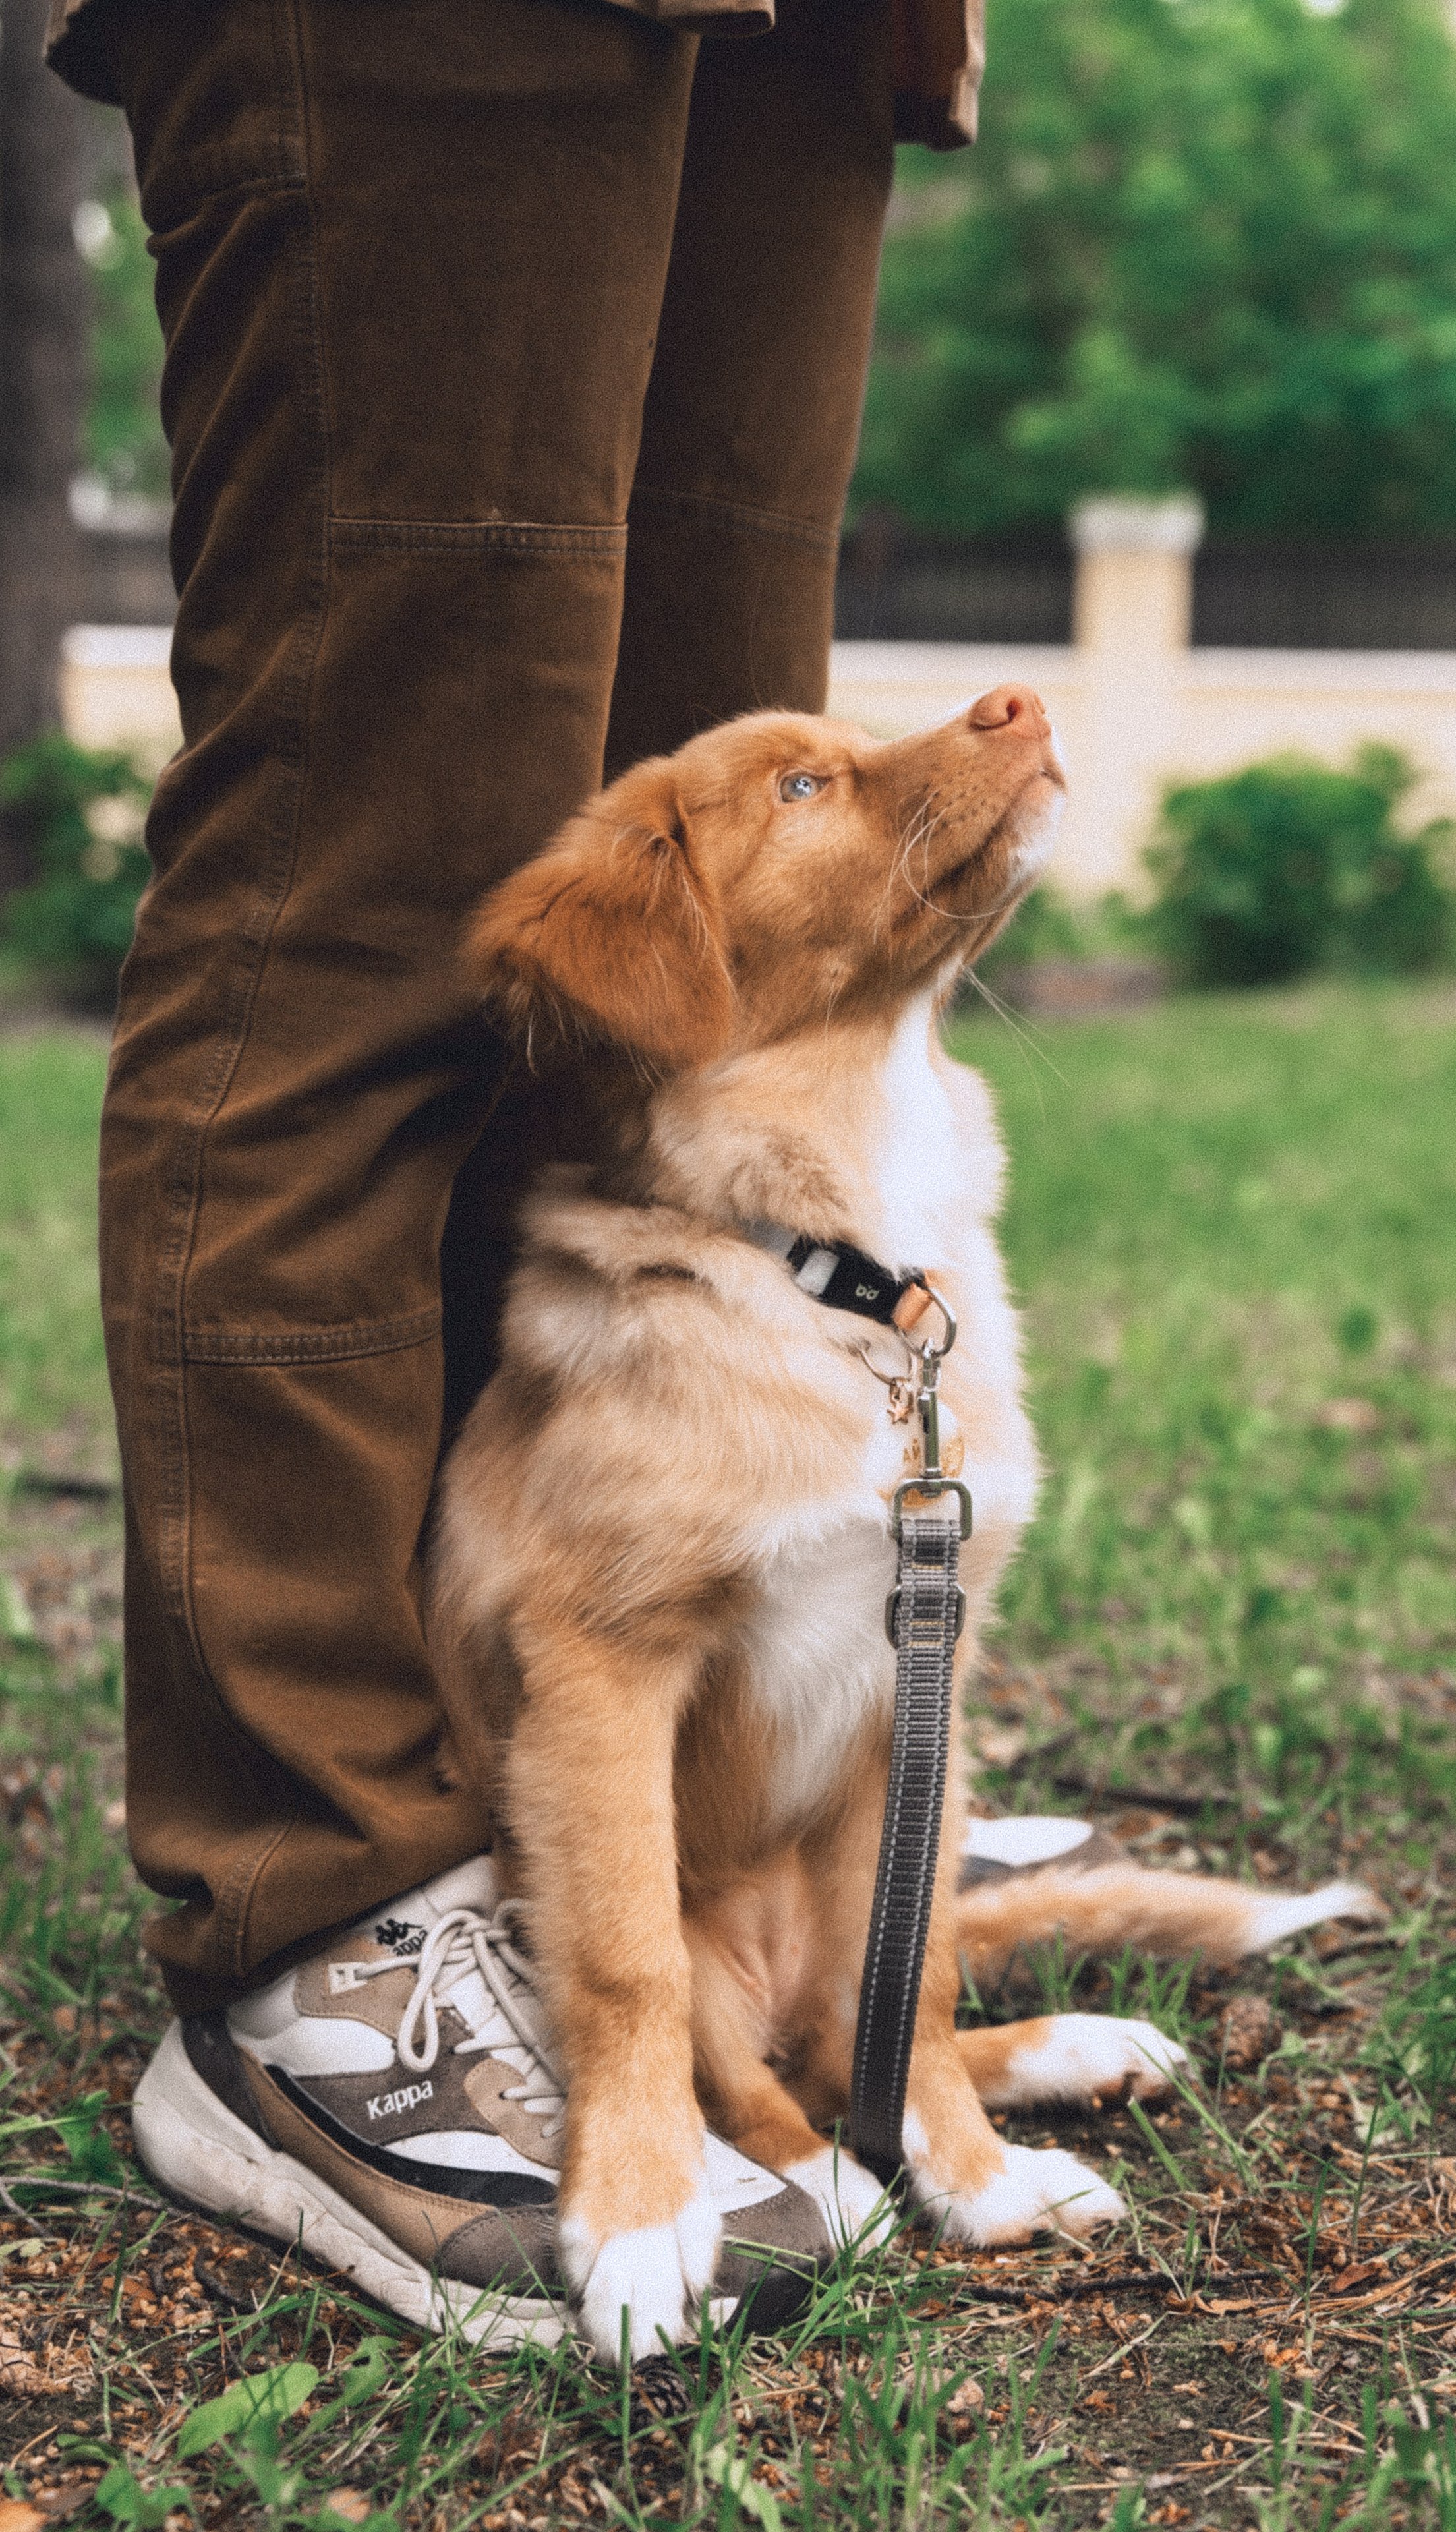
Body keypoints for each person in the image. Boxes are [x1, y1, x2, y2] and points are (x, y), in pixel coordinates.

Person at [44, 0, 982, 2346]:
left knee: (689, 919)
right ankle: (311, 1910)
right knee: (383, 868)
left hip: (805, 35)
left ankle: (641, 1804)